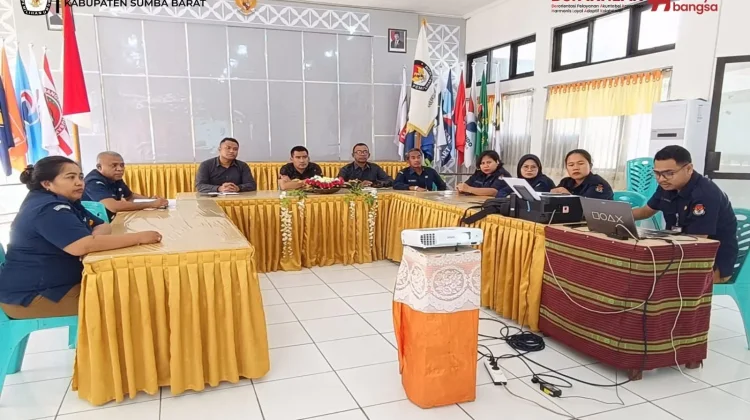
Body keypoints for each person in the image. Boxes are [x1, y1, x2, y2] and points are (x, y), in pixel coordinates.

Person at [0, 157, 162, 319]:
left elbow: (103, 225)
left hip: (57, 284)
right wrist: (139, 237)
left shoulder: (66, 201)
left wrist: (91, 241)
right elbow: (80, 246)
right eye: (70, 177)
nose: (79, 182)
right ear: (47, 183)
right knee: (130, 303)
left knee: (131, 289)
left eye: (80, 176)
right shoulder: (48, 208)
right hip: (32, 295)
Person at [632, 145, 738, 284]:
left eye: (669, 173)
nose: (661, 179)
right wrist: (616, 215)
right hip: (677, 252)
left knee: (651, 280)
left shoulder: (705, 195)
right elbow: (645, 211)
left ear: (688, 169)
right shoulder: (667, 186)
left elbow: (697, 242)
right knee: (634, 268)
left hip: (709, 262)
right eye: (657, 173)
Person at [82, 151, 168, 220]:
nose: (120, 169)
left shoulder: (115, 177)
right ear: (99, 167)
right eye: (114, 165)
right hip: (96, 225)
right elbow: (113, 206)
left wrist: (150, 199)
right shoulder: (93, 182)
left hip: (115, 218)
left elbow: (130, 196)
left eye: (122, 165)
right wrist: (151, 204)